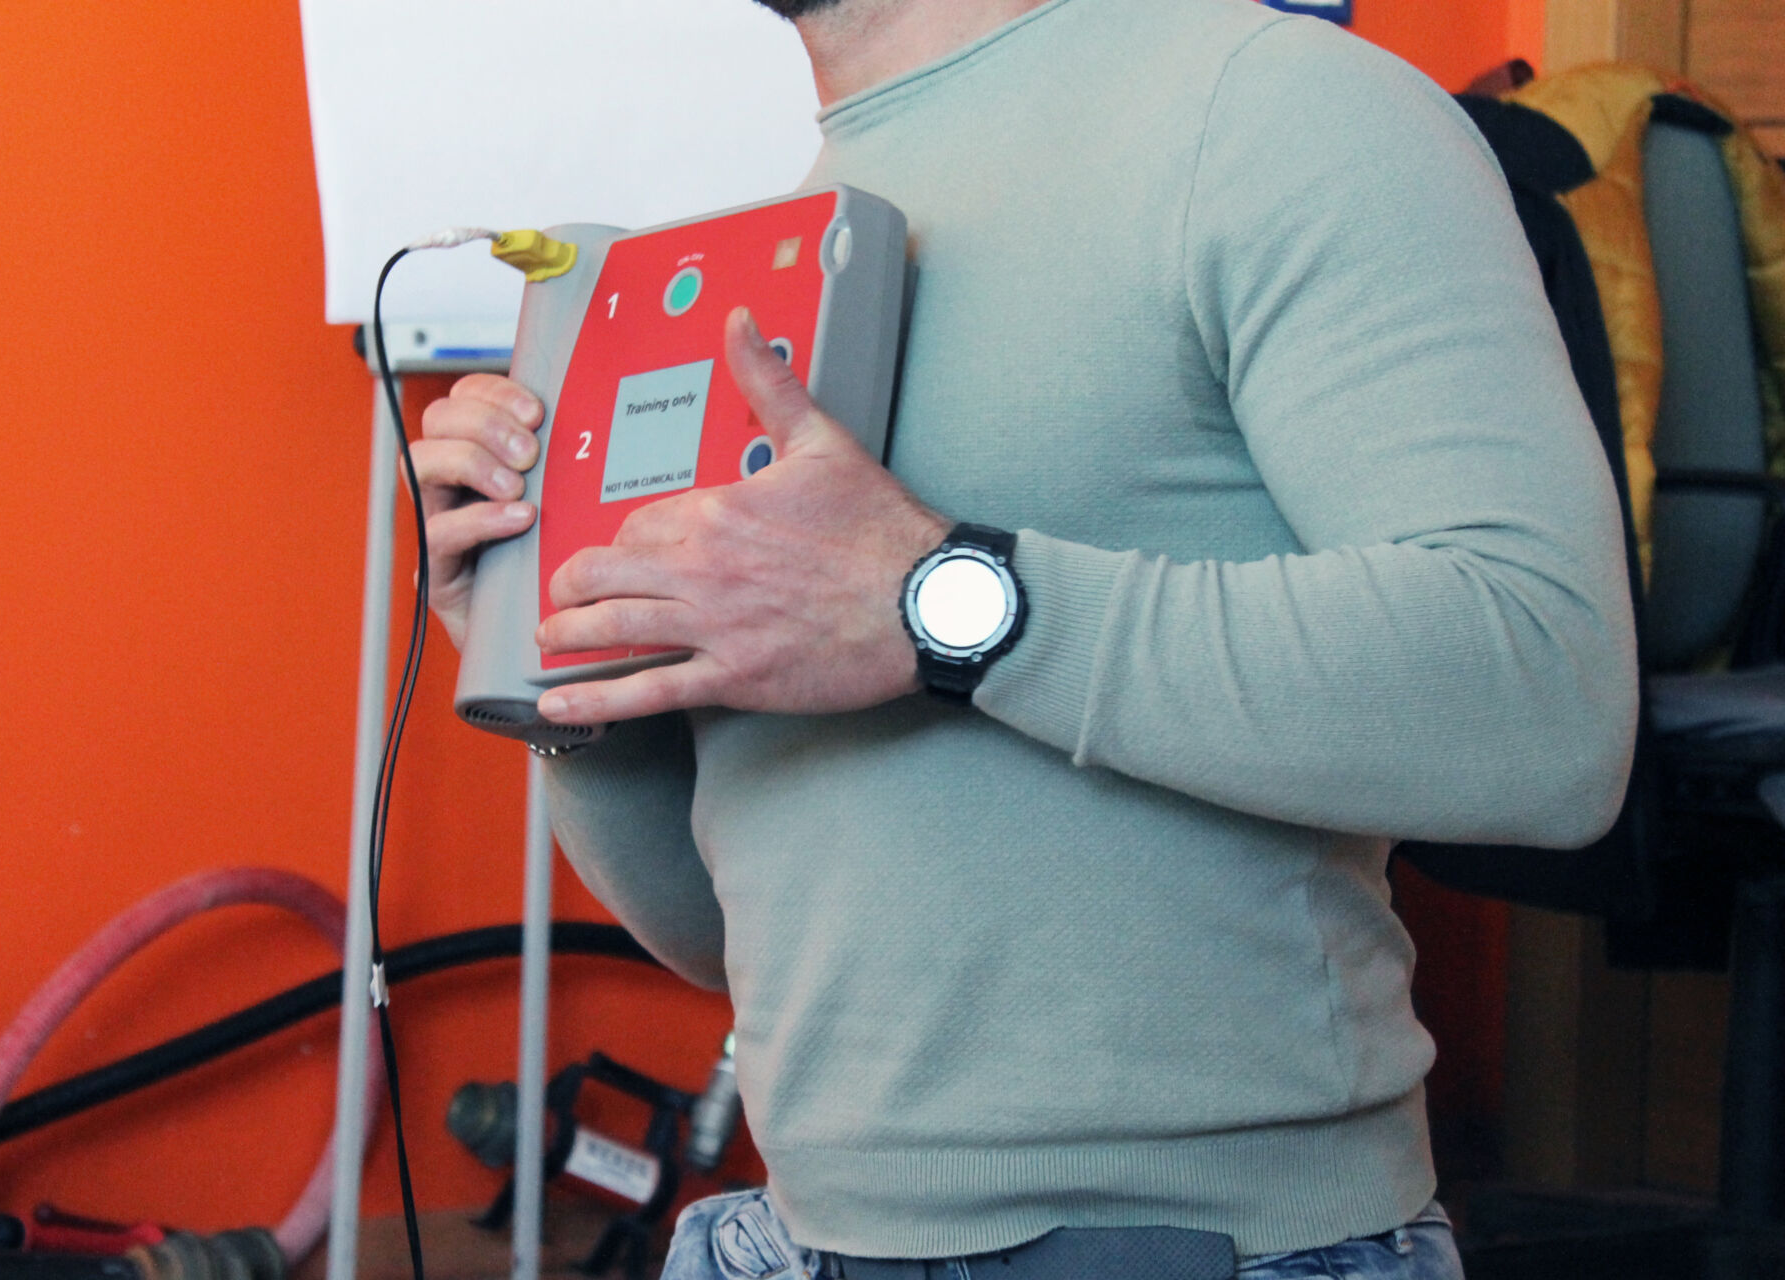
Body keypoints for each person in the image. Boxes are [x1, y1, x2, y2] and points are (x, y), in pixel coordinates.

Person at [415, 0, 1639, 1276]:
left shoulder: (1277, 109)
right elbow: (724, 938)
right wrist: (539, 659)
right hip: (806, 1234)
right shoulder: (786, 238)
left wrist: (941, 599)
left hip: (1206, 1243)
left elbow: (1548, 696)